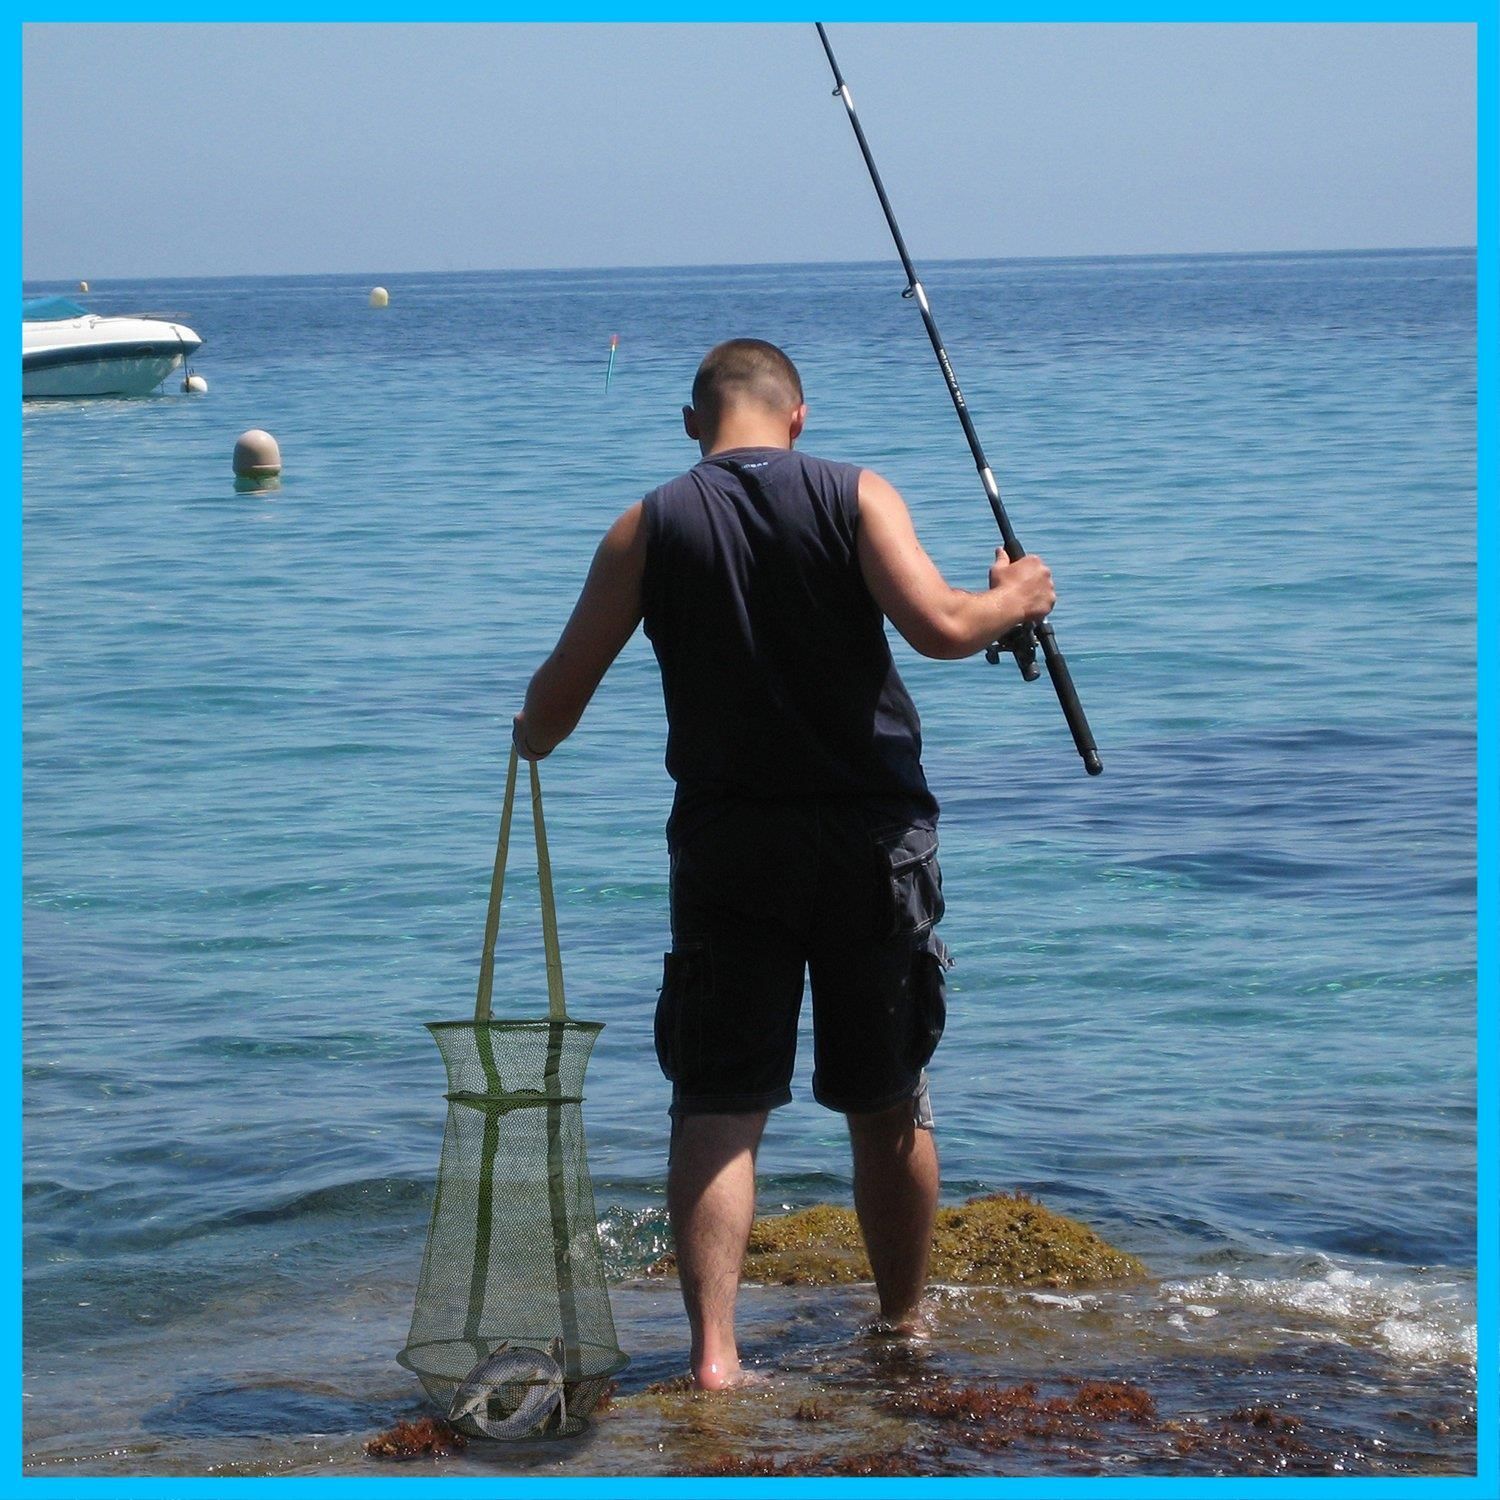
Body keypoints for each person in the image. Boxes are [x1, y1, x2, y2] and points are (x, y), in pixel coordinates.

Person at [513, 339, 1055, 1389]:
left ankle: (716, 1358)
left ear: (691, 422)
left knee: (719, 1101)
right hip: (871, 842)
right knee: (886, 1095)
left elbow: (551, 712)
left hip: (730, 849)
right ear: (797, 416)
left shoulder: (647, 526)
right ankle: (902, 1324)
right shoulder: (856, 494)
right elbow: (945, 626)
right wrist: (1019, 597)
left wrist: (526, 728)